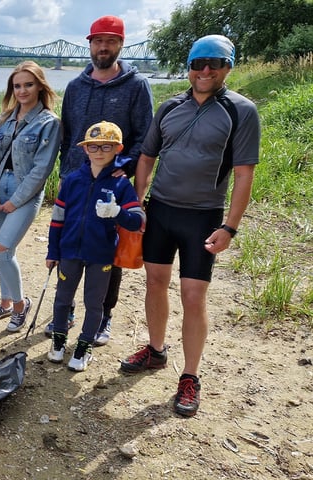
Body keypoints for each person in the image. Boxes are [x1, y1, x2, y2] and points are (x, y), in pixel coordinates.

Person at [121, 35, 260, 417]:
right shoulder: (169, 107)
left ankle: (190, 376)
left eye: (215, 63)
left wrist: (230, 227)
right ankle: (155, 349)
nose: (205, 71)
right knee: (154, 283)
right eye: (198, 64)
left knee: (194, 297)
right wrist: (137, 203)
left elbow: (244, 175)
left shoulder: (241, 111)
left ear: (228, 67)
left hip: (203, 216)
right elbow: (147, 158)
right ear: (189, 67)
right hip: (161, 210)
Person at [46, 15, 153, 345]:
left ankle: (104, 314)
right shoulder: (76, 86)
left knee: (107, 252)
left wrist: (128, 165)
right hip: (77, 180)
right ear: (89, 44)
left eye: (110, 41)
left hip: (112, 183)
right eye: (98, 41)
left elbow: (144, 136)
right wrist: (66, 172)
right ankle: (67, 312)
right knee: (70, 245)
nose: (103, 47)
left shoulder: (137, 86)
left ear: (121, 45)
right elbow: (68, 135)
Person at [45, 121, 145, 372]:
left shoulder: (121, 184)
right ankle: (58, 340)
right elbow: (58, 218)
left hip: (101, 254)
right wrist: (52, 251)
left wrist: (117, 212)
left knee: (94, 302)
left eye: (106, 146)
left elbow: (137, 221)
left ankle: (84, 345)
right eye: (93, 146)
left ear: (118, 149)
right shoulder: (71, 180)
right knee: (62, 298)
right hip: (69, 251)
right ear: (85, 149)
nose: (99, 151)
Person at [0, 61, 62, 332]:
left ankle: (20, 304)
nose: (22, 90)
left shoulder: (49, 123)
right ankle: (4, 303)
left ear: (40, 86)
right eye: (17, 86)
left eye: (28, 84)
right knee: (5, 251)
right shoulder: (3, 118)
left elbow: (42, 169)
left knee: (1, 250)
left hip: (24, 192)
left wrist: (15, 201)